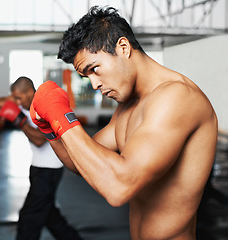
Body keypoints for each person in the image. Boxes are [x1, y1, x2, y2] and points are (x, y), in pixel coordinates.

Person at [30, 6, 218, 240]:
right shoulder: (129, 106)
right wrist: (49, 128)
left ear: (123, 47)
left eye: (94, 69)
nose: (95, 84)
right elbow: (82, 162)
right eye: (87, 76)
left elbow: (119, 188)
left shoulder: (177, 97)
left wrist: (63, 118)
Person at [0, 76, 82, 240]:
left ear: (30, 92)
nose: (16, 101)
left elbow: (39, 140)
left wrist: (19, 120)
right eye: (14, 97)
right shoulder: (18, 100)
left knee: (29, 217)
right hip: (37, 168)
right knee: (48, 214)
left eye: (18, 97)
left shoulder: (45, 107)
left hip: (50, 171)